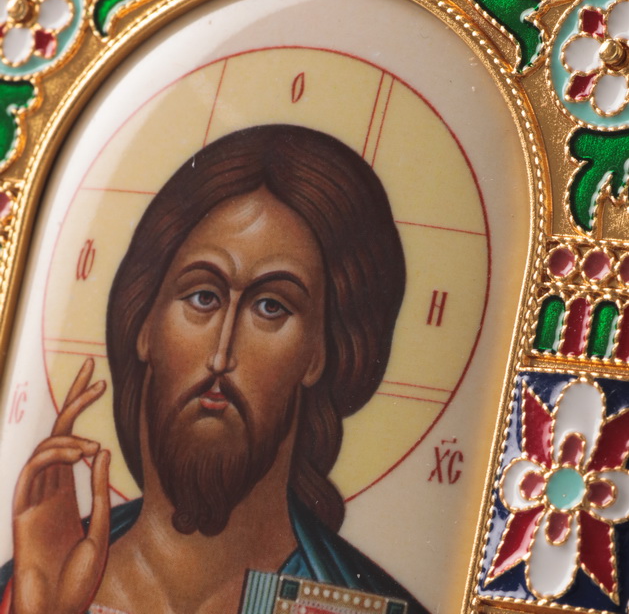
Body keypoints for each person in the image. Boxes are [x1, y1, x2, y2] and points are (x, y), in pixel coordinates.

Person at [0, 125, 428, 614]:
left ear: (320, 354)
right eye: (203, 296)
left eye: (271, 307)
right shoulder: (25, 590)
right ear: (144, 323)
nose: (222, 355)